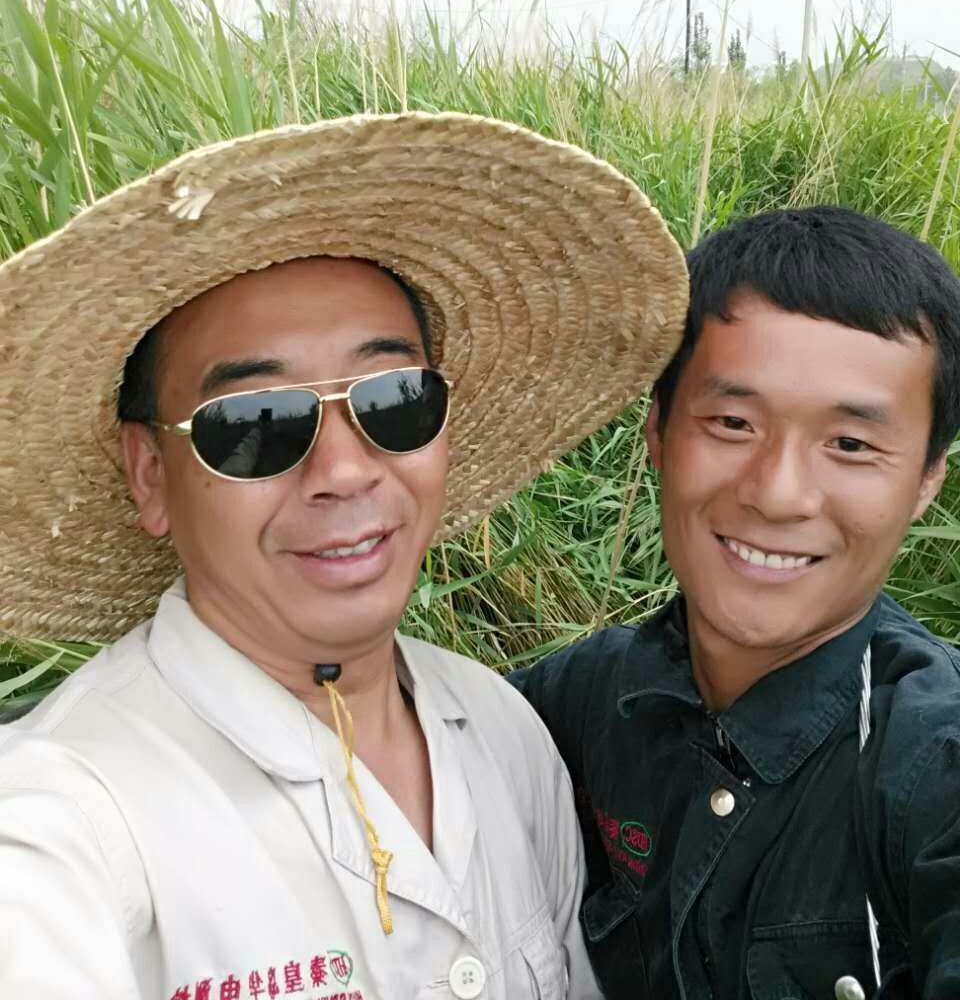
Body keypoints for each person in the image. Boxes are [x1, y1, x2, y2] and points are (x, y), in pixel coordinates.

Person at [0, 113, 687, 1000]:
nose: (346, 470)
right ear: (150, 474)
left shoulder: (504, 734)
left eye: (394, 399)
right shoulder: (66, 821)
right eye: (255, 423)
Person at [512, 206, 960, 1000]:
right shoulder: (578, 701)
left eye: (851, 444)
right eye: (732, 422)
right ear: (657, 431)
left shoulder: (933, 768)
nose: (778, 494)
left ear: (927, 480)